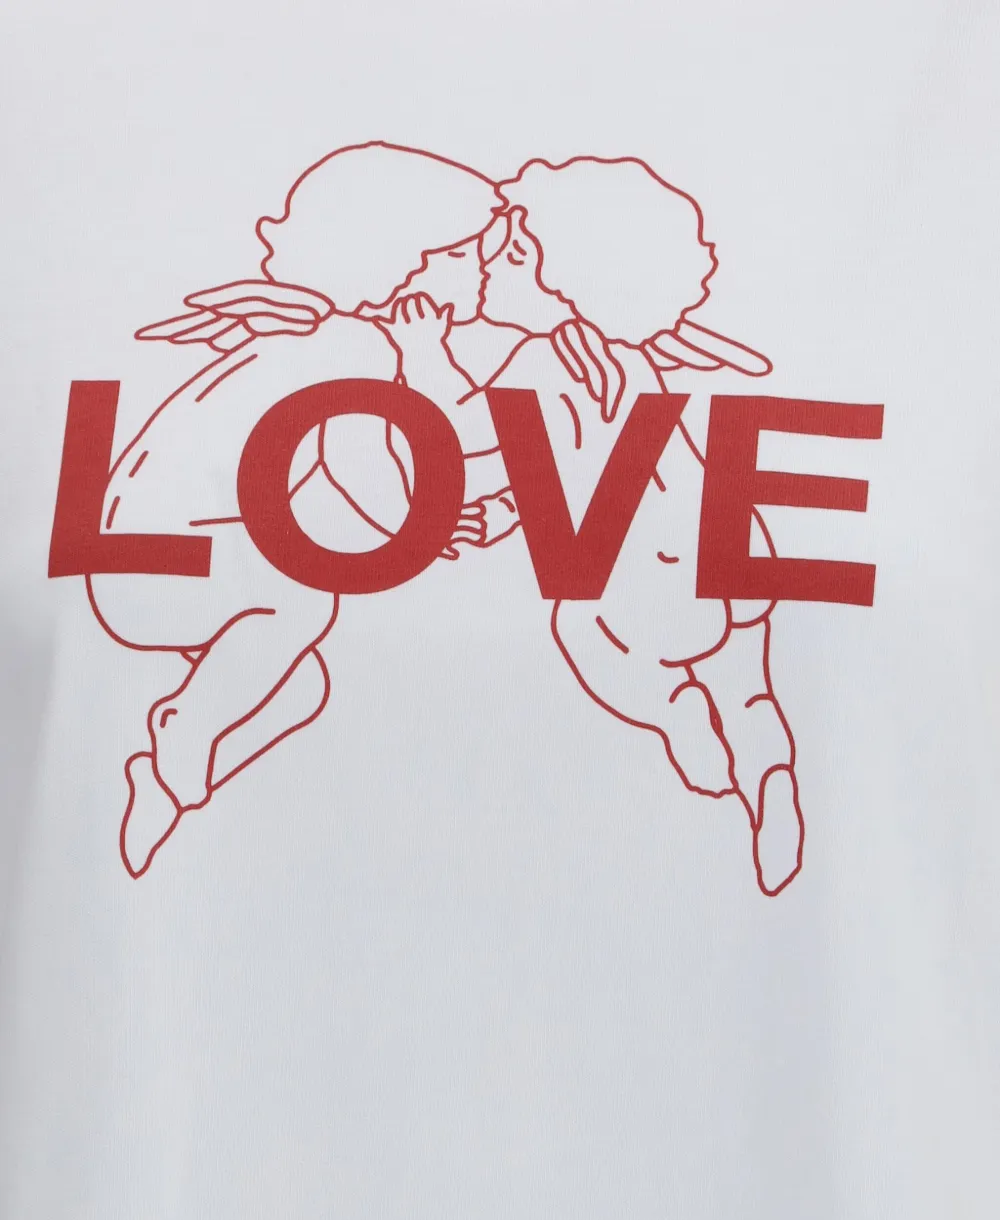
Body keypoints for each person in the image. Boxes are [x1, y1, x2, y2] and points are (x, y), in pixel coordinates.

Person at [383, 155, 802, 895]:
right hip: (727, 537)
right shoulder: (628, 362)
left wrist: (422, 356)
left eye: (504, 252)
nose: (485, 268)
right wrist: (503, 515)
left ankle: (677, 716)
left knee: (591, 640)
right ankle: (769, 774)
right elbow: (565, 465)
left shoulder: (537, 365)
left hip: (637, 571)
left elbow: (455, 436)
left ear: (544, 269)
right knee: (749, 690)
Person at [91, 142, 506, 876]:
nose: (484, 268)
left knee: (297, 686)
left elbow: (430, 452)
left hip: (160, 555)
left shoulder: (353, 343)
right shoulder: (354, 345)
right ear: (414, 263)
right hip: (153, 559)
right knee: (302, 601)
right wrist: (428, 514)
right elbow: (367, 465)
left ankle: (167, 784)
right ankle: (181, 739)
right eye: (468, 251)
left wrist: (429, 507)